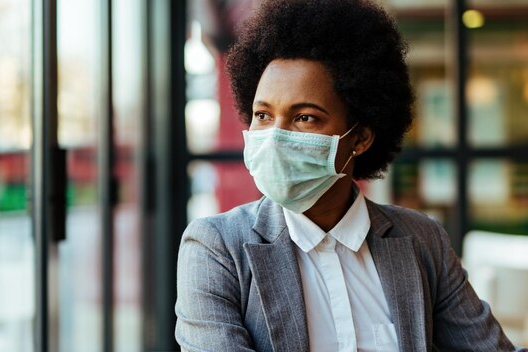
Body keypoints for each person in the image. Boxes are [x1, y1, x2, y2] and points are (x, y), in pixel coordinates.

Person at [175, 0, 527, 351]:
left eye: (305, 117)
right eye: (263, 115)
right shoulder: (217, 248)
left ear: (359, 138)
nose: (275, 136)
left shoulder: (423, 241)